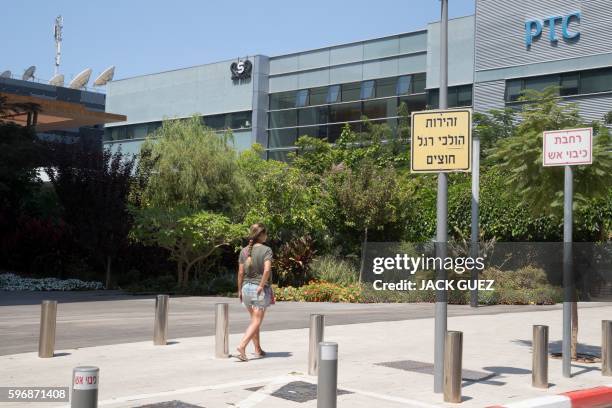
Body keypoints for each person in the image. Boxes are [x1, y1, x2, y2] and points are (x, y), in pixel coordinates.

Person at [235, 223, 273, 361]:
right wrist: (262, 285)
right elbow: (267, 270)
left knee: (254, 321)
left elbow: (240, 272)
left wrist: (239, 290)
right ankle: (242, 346)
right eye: (266, 233)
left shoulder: (244, 251)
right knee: (257, 321)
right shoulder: (266, 250)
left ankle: (258, 349)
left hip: (245, 288)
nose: (267, 236)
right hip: (258, 289)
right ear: (261, 234)